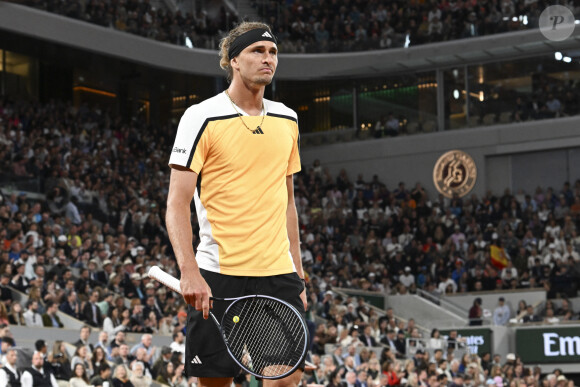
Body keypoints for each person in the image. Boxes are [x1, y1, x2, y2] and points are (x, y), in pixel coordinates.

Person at [166, 21, 306, 387]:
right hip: (218, 275)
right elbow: (176, 203)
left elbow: (288, 202)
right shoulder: (200, 116)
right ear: (232, 60)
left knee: (286, 381)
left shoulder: (288, 119)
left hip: (277, 274)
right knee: (214, 384)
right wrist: (189, 270)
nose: (268, 59)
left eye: (273, 52)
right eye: (257, 51)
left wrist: (300, 274)